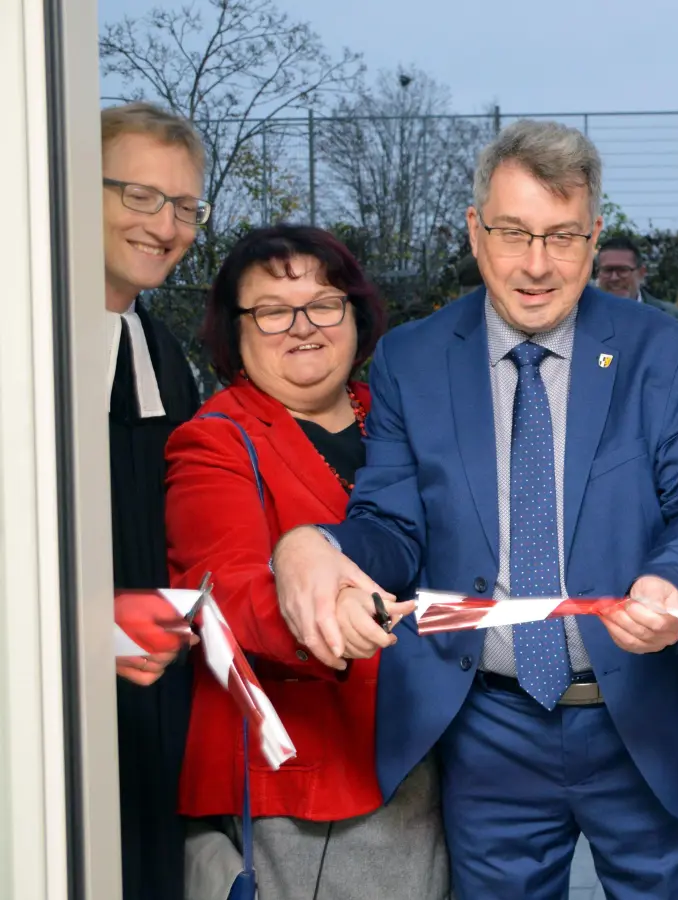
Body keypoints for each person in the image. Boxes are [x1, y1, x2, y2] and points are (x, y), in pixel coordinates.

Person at [269, 119, 678, 898]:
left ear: (594, 238)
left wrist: (674, 583)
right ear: (474, 230)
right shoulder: (413, 359)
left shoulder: (663, 352)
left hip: (643, 714)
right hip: (486, 728)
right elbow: (393, 526)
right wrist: (315, 546)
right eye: (514, 232)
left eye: (562, 237)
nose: (535, 264)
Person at [165, 226, 450, 899]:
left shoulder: (393, 420)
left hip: (433, 753)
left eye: (324, 304)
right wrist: (323, 614)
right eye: (271, 310)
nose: (303, 327)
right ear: (234, 330)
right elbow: (221, 594)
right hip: (313, 779)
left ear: (357, 315)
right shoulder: (215, 442)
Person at [101, 101, 206, 900]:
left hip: (151, 707)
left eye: (184, 207)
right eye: (138, 196)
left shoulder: (160, 350)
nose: (165, 226)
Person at [596, 233, 678, 321]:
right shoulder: (584, 316)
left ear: (641, 273)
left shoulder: (670, 316)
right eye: (607, 270)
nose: (614, 278)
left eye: (623, 270)